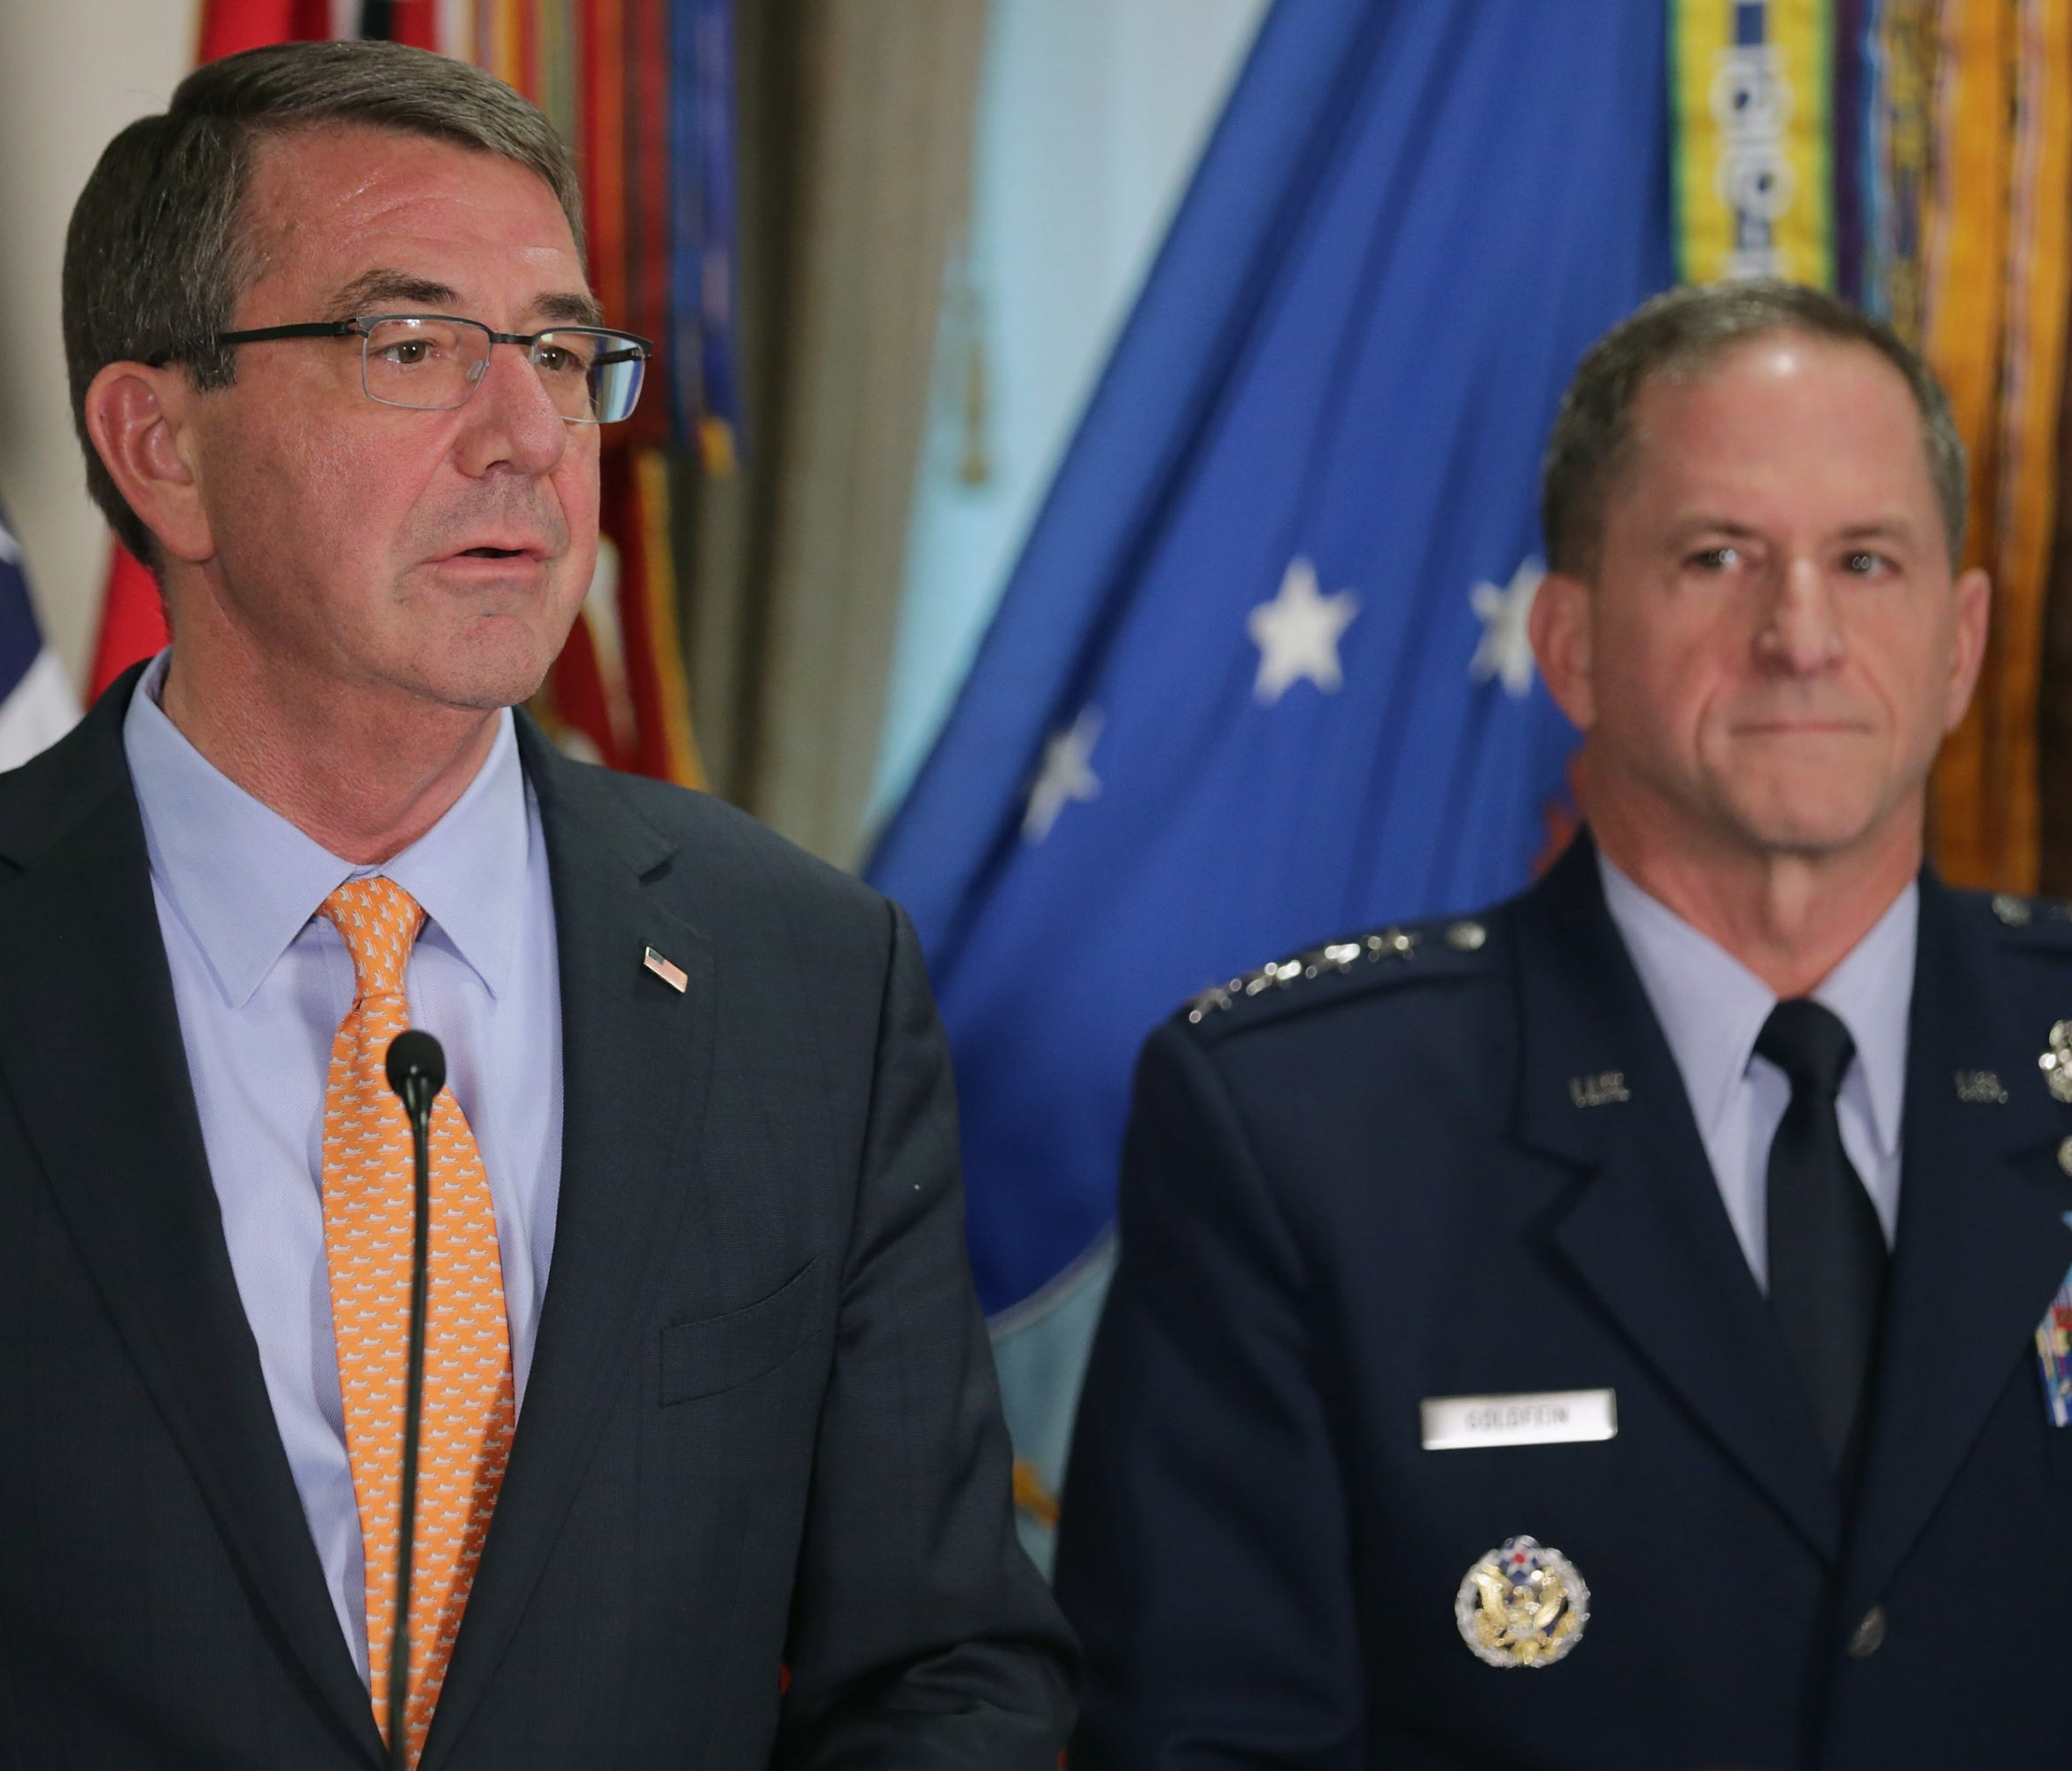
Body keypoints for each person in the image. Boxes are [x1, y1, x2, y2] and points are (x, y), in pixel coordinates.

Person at [0, 40, 1072, 1770]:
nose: (528, 440)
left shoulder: (806, 975)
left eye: (563, 356)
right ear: (161, 446)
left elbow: (943, 1668)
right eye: (409, 346)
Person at [1055, 280, 2072, 1769]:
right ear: (1572, 641)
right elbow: (1211, 1741)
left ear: (1961, 644)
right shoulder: (1303, 1133)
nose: (1802, 635)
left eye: (1867, 562)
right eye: (1719, 558)